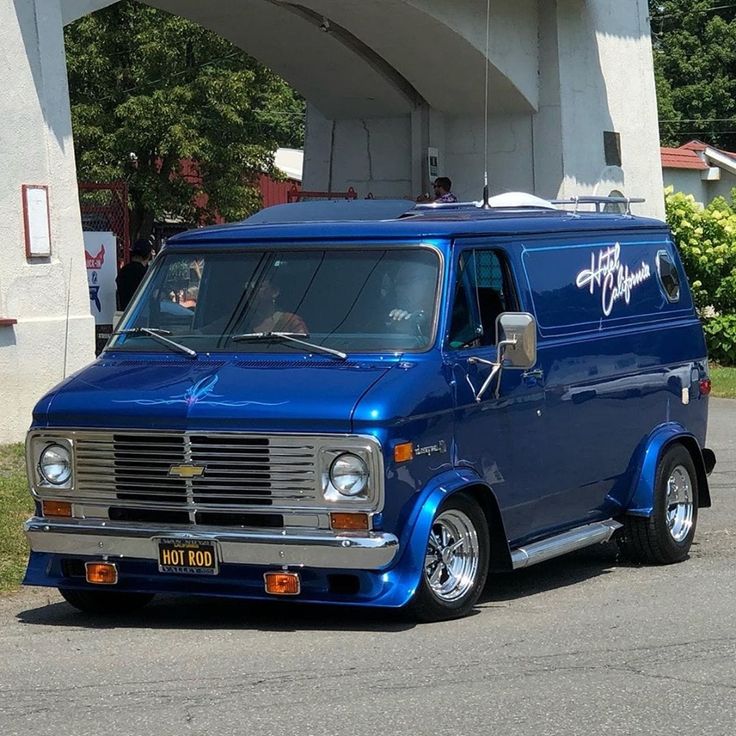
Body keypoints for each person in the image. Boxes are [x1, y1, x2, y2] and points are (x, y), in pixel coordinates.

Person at [116, 239, 155, 310]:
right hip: (142, 314)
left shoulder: (123, 271)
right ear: (148, 256)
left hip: (125, 314)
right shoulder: (147, 274)